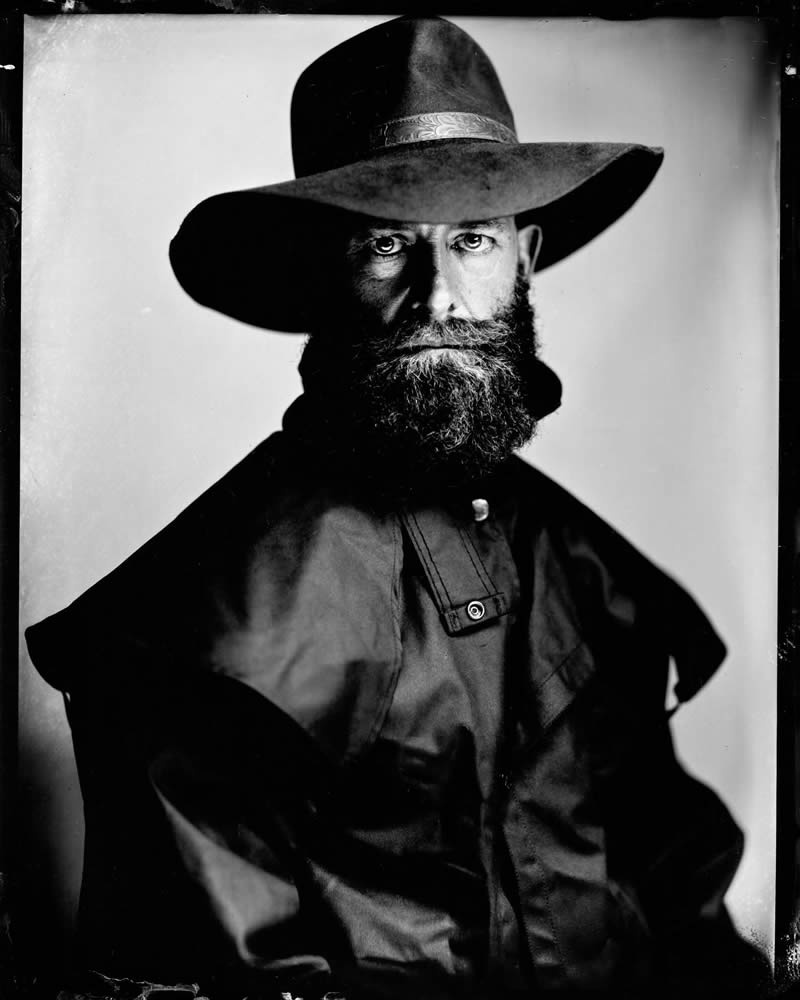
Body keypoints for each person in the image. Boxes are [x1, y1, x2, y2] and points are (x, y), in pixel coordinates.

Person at [25, 15, 771, 1000]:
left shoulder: (583, 569)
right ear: (321, 267)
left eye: (471, 239)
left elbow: (685, 905)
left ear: (525, 253)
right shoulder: (202, 630)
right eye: (387, 244)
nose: (439, 295)